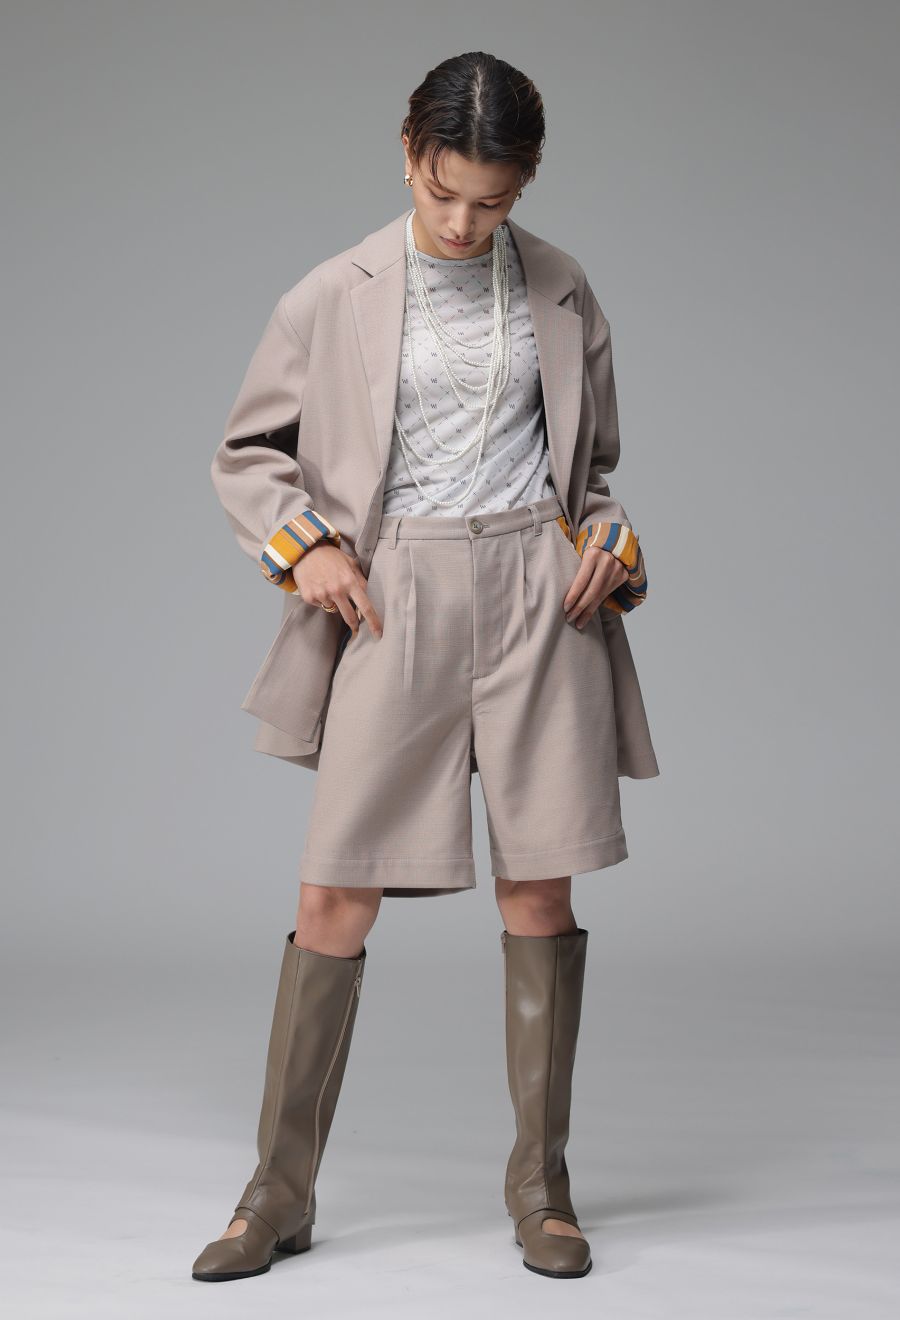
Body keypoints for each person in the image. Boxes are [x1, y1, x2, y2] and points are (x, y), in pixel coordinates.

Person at [192, 49, 659, 1284]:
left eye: (492, 202)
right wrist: (307, 550)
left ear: (526, 184)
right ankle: (275, 1193)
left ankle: (543, 1191)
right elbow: (248, 453)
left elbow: (594, 476)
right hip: (393, 597)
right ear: (410, 154)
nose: (463, 222)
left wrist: (610, 540)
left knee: (540, 894)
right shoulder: (332, 292)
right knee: (333, 896)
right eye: (446, 191)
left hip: (538, 597)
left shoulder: (562, 285)